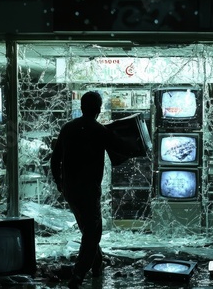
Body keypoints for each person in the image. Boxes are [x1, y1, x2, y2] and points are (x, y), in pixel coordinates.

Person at [51, 91, 132, 288]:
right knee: (92, 232)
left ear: (81, 107)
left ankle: (97, 264)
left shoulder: (68, 128)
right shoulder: (99, 131)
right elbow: (123, 148)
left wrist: (59, 183)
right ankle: (78, 274)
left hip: (70, 189)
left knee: (89, 228)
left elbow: (55, 159)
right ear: (98, 109)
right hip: (89, 190)